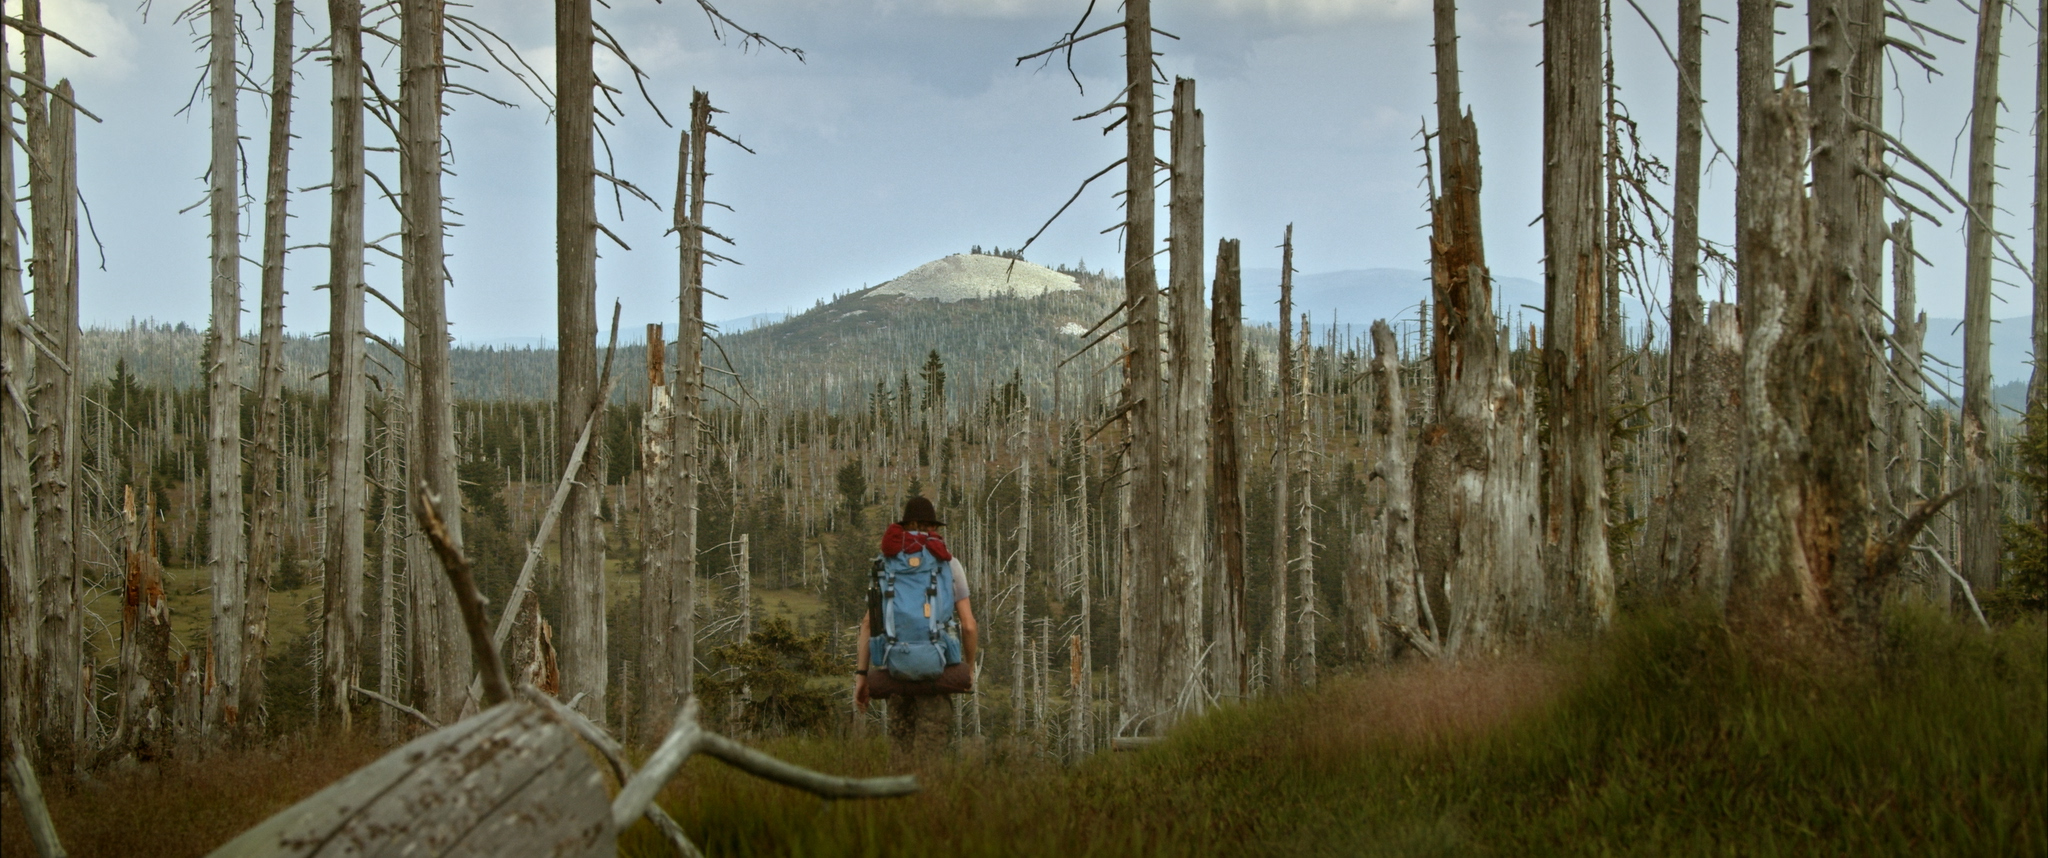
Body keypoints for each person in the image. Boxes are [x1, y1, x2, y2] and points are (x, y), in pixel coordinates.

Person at [855, 496, 978, 753]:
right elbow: (968, 625)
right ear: (928, 527)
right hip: (938, 668)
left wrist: (861, 677)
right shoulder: (948, 563)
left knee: (900, 751)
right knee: (930, 756)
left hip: (896, 669)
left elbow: (869, 623)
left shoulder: (884, 563)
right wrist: (970, 666)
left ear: (907, 525)